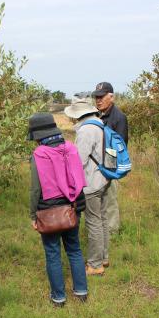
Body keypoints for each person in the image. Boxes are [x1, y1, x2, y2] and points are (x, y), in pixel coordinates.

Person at [28, 112, 88, 307]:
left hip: (48, 212)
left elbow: (36, 189)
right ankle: (81, 292)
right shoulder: (71, 148)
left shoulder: (39, 155)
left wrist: (32, 215)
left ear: (38, 136)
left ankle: (59, 298)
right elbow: (77, 177)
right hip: (72, 208)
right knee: (75, 249)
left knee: (53, 253)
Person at [64, 97, 109, 276]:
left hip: (91, 182)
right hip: (104, 178)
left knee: (93, 222)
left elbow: (79, 161)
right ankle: (103, 257)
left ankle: (95, 264)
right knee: (102, 219)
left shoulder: (86, 131)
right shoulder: (99, 124)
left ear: (78, 115)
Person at [91, 82, 128, 235]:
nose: (98, 100)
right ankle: (100, 230)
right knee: (97, 200)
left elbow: (121, 145)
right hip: (96, 165)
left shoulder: (119, 117)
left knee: (110, 200)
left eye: (102, 97)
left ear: (111, 97)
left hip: (109, 167)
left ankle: (112, 232)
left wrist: (110, 170)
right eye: (96, 97)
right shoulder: (96, 115)